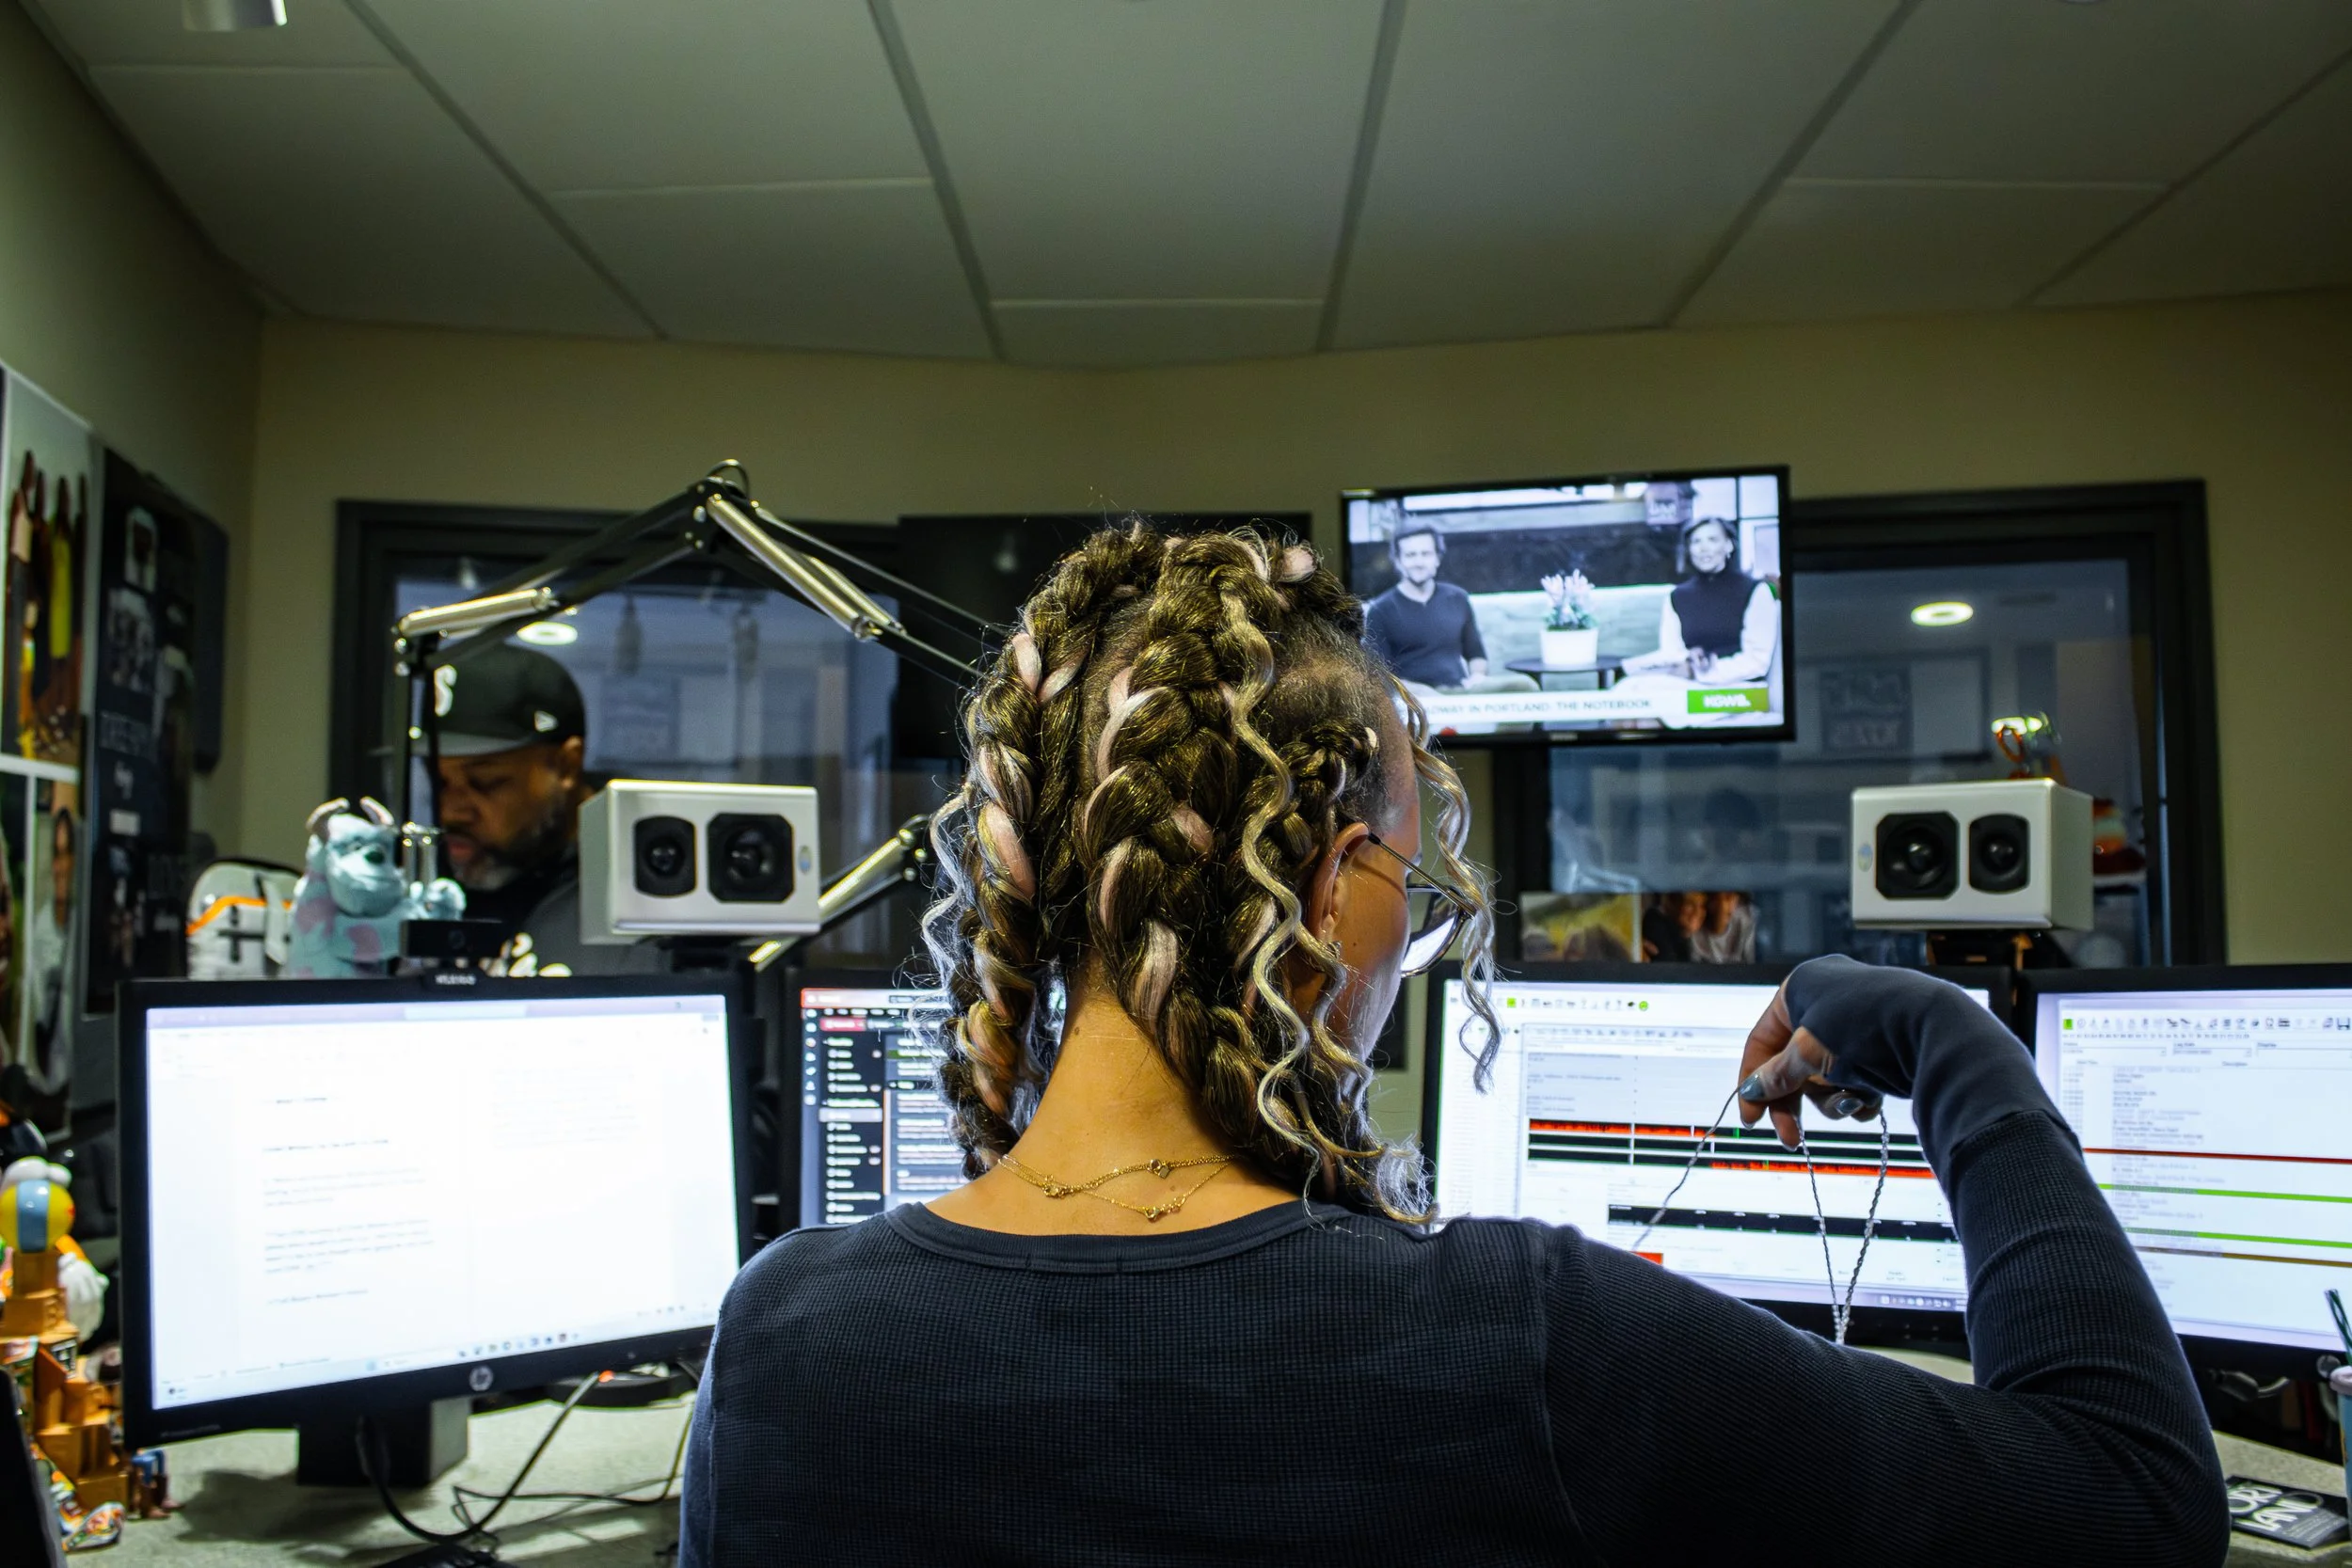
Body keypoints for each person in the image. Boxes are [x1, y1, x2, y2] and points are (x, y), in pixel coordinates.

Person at [681, 525, 2223, 1567]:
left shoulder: (783, 1333)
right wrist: (1948, 1036)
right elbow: (2133, 1494)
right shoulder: (1526, 1338)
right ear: (1337, 886)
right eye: (1414, 896)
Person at [430, 641, 647, 976]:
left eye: (485, 781)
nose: (451, 812)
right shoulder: (426, 887)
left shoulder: (640, 887)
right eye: (439, 781)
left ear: (565, 766)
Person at [1361, 525, 1534, 695]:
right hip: (1415, 697)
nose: (1419, 562)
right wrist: (1419, 692)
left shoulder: (1457, 598)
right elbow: (1378, 675)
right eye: (1410, 555)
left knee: (1525, 685)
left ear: (1437, 558)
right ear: (1398, 562)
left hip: (1460, 691)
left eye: (1426, 554)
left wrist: (1477, 677)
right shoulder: (1381, 609)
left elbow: (1476, 654)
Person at [1623, 515, 1778, 682]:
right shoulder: (1677, 596)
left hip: (1740, 687)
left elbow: (1757, 661)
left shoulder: (1755, 591)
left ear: (1729, 545)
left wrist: (1701, 673)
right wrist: (1687, 659)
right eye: (1696, 542)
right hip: (1688, 685)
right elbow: (1671, 652)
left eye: (1712, 540)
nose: (1704, 548)